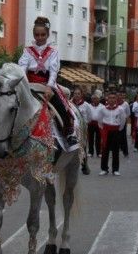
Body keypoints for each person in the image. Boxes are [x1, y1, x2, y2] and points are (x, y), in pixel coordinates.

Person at [18, 16, 77, 146]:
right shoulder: (27, 51)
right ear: (33, 34)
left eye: (42, 35)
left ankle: (69, 132)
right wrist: (23, 84)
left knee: (60, 104)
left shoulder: (53, 52)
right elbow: (22, 68)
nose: (39, 38)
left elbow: (54, 71)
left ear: (48, 34)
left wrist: (50, 87)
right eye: (37, 35)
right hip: (29, 85)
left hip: (46, 84)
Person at [98, 92, 126, 176]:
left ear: (116, 99)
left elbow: (123, 121)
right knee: (105, 150)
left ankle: (115, 169)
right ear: (107, 99)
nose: (111, 99)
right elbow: (99, 121)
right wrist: (104, 129)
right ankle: (104, 169)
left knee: (115, 151)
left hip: (115, 131)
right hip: (106, 130)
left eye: (113, 98)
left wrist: (118, 129)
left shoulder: (120, 109)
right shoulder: (103, 109)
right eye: (110, 98)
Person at [88, 93, 103, 157]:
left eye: (96, 99)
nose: (95, 100)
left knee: (98, 139)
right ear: (91, 99)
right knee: (90, 138)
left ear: (99, 99)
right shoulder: (88, 105)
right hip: (91, 123)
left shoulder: (102, 106)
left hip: (99, 124)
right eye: (93, 99)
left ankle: (99, 152)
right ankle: (90, 152)